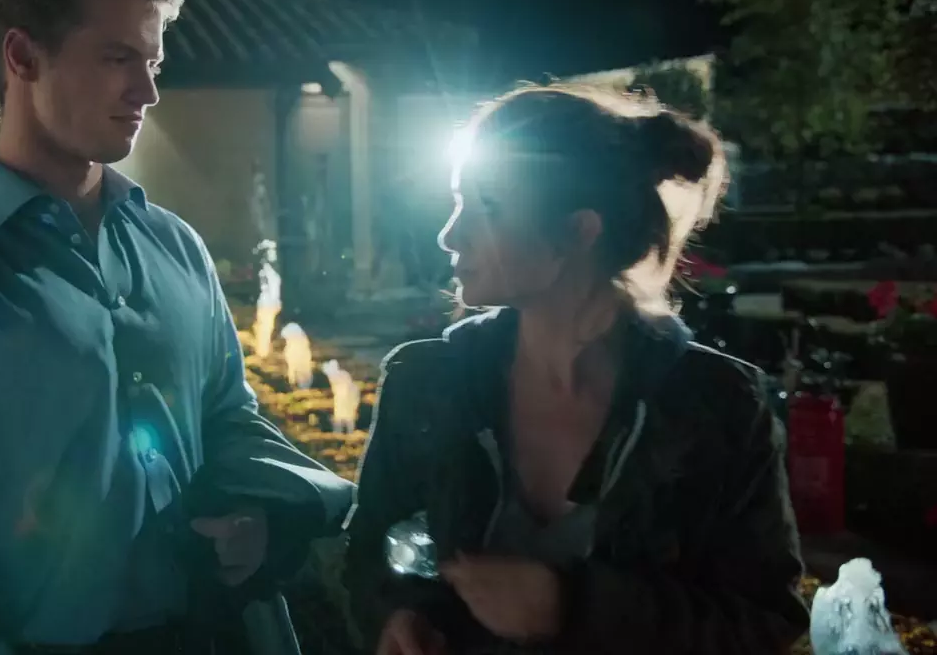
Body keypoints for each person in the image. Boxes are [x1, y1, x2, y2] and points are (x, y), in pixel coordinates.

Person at [0, 0, 354, 654]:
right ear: (23, 56)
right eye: (119, 58)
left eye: (153, 64)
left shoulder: (177, 248)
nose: (147, 91)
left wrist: (258, 522)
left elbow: (227, 419)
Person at [343, 84, 809, 655]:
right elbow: (368, 554)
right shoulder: (427, 383)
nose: (450, 235)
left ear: (578, 231)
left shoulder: (715, 404)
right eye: (457, 203)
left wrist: (573, 607)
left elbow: (763, 620)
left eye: (486, 208)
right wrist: (398, 616)